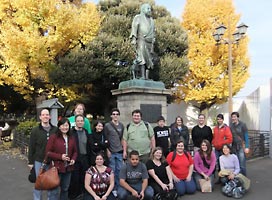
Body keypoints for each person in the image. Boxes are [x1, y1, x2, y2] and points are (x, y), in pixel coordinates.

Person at [28, 108, 58, 200]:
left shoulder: (55, 130)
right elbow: (31, 146)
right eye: (43, 115)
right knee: (39, 183)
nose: (45, 116)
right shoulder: (35, 130)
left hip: (52, 162)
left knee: (51, 183)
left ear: (50, 116)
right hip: (39, 161)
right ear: (40, 117)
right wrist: (30, 162)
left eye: (47, 115)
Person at [45, 118, 78, 200]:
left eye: (67, 125)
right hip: (56, 168)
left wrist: (73, 159)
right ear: (59, 127)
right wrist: (60, 157)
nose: (65, 127)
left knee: (65, 189)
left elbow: (75, 151)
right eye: (63, 125)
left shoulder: (71, 138)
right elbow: (48, 152)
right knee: (54, 190)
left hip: (68, 168)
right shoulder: (54, 137)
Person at [69, 114, 93, 199]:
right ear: (75, 122)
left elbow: (89, 146)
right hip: (75, 159)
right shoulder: (71, 133)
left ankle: (84, 196)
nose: (80, 122)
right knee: (75, 179)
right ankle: (74, 196)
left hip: (85, 158)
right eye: (78, 121)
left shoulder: (86, 132)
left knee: (84, 179)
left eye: (81, 121)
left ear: (84, 122)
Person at [130, 3, 155, 80]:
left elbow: (154, 31)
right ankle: (142, 76)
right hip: (141, 40)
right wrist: (134, 38)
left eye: (150, 9)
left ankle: (147, 76)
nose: (149, 10)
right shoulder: (138, 17)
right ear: (143, 9)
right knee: (141, 57)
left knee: (149, 59)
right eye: (148, 8)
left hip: (150, 42)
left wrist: (154, 39)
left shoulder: (152, 20)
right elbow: (135, 27)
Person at [104, 108, 124, 194]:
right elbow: (105, 138)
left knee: (119, 170)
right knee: (112, 170)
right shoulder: (107, 126)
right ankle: (113, 188)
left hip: (119, 151)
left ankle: (119, 187)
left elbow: (123, 138)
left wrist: (124, 151)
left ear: (119, 115)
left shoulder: (121, 126)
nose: (115, 115)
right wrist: (107, 150)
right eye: (114, 114)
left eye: (117, 114)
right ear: (111, 115)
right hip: (111, 151)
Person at [230, 112, 249, 176]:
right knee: (235, 163)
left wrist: (247, 146)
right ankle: (238, 178)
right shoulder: (231, 126)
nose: (233, 118)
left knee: (242, 163)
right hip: (233, 146)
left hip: (241, 146)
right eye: (232, 117)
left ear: (238, 117)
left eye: (235, 117)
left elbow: (246, 136)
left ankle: (244, 178)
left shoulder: (243, 125)